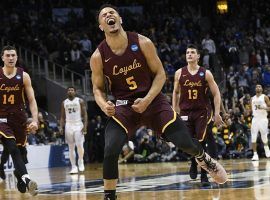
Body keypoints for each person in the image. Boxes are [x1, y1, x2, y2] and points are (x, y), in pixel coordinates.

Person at [90, 4, 227, 200]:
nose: (109, 15)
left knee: (185, 142)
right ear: (101, 26)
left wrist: (146, 100)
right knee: (110, 149)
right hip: (124, 107)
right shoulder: (98, 56)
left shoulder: (142, 42)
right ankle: (109, 196)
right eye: (104, 15)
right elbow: (97, 89)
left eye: (112, 12)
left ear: (120, 20)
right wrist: (104, 105)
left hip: (152, 101)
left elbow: (161, 75)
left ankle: (203, 158)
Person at [172, 44, 224, 184]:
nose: (189, 54)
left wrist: (217, 113)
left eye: (192, 52)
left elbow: (216, 93)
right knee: (189, 141)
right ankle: (194, 163)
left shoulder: (205, 73)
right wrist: (174, 108)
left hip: (202, 111)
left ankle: (204, 173)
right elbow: (176, 92)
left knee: (201, 141)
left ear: (198, 56)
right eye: (187, 52)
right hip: (185, 111)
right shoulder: (179, 73)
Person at [0, 45, 39, 195]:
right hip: (2, 119)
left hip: (19, 119)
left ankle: (19, 176)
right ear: (2, 57)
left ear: (16, 57)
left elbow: (32, 100)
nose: (10, 58)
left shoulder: (24, 76)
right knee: (14, 150)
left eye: (13, 55)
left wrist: (34, 120)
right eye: (8, 55)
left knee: (21, 153)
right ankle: (28, 180)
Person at [60, 86, 88, 174]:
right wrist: (61, 127)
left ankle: (80, 160)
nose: (70, 91)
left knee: (79, 145)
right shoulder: (64, 102)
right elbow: (62, 117)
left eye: (72, 90)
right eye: (69, 90)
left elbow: (85, 115)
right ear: (67, 92)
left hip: (78, 124)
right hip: (68, 125)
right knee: (70, 147)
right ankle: (73, 167)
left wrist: (85, 126)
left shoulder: (80, 101)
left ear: (75, 92)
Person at [250, 84, 270, 161]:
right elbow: (251, 110)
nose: (258, 88)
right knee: (253, 137)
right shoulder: (252, 98)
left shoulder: (265, 97)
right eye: (256, 87)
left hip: (263, 119)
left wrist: (263, 107)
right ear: (255, 89)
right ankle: (255, 154)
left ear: (262, 89)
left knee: (264, 137)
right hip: (255, 119)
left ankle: (267, 149)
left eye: (259, 87)